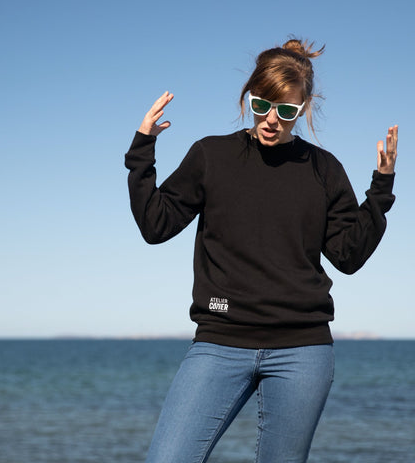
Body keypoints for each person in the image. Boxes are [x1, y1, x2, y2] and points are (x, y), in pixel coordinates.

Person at [124, 38, 398, 463]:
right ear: (248, 97)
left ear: (303, 108)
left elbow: (348, 256)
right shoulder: (211, 155)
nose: (272, 120)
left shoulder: (324, 169)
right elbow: (155, 225)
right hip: (219, 342)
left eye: (286, 111)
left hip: (302, 351)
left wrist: (380, 190)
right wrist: (142, 150)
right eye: (262, 105)